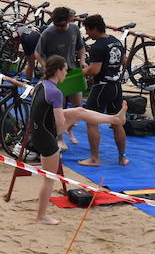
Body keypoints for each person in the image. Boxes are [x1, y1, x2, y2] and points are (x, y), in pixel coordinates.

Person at [30, 55, 128, 224]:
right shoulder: (56, 92)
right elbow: (60, 127)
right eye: (66, 70)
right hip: (46, 138)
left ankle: (115, 119)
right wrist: (70, 124)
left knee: (80, 111)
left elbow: (42, 113)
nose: (66, 74)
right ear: (59, 70)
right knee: (49, 179)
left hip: (39, 130)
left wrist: (72, 117)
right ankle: (41, 216)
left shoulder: (41, 85)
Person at [81, 14, 130, 167]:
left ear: (95, 28)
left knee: (91, 121)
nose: (87, 34)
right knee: (117, 122)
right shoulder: (116, 41)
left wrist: (81, 72)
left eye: (88, 30)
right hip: (116, 85)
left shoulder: (98, 46)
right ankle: (122, 157)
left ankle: (94, 159)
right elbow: (124, 61)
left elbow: (95, 70)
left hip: (101, 86)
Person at [36, 8, 86, 143]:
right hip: (56, 75)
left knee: (77, 106)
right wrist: (46, 66)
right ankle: (59, 137)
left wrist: (82, 61)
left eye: (63, 25)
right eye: (57, 26)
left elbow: (81, 47)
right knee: (59, 107)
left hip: (71, 72)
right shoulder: (47, 33)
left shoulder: (74, 29)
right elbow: (38, 54)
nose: (61, 28)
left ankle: (70, 132)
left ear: (69, 20)